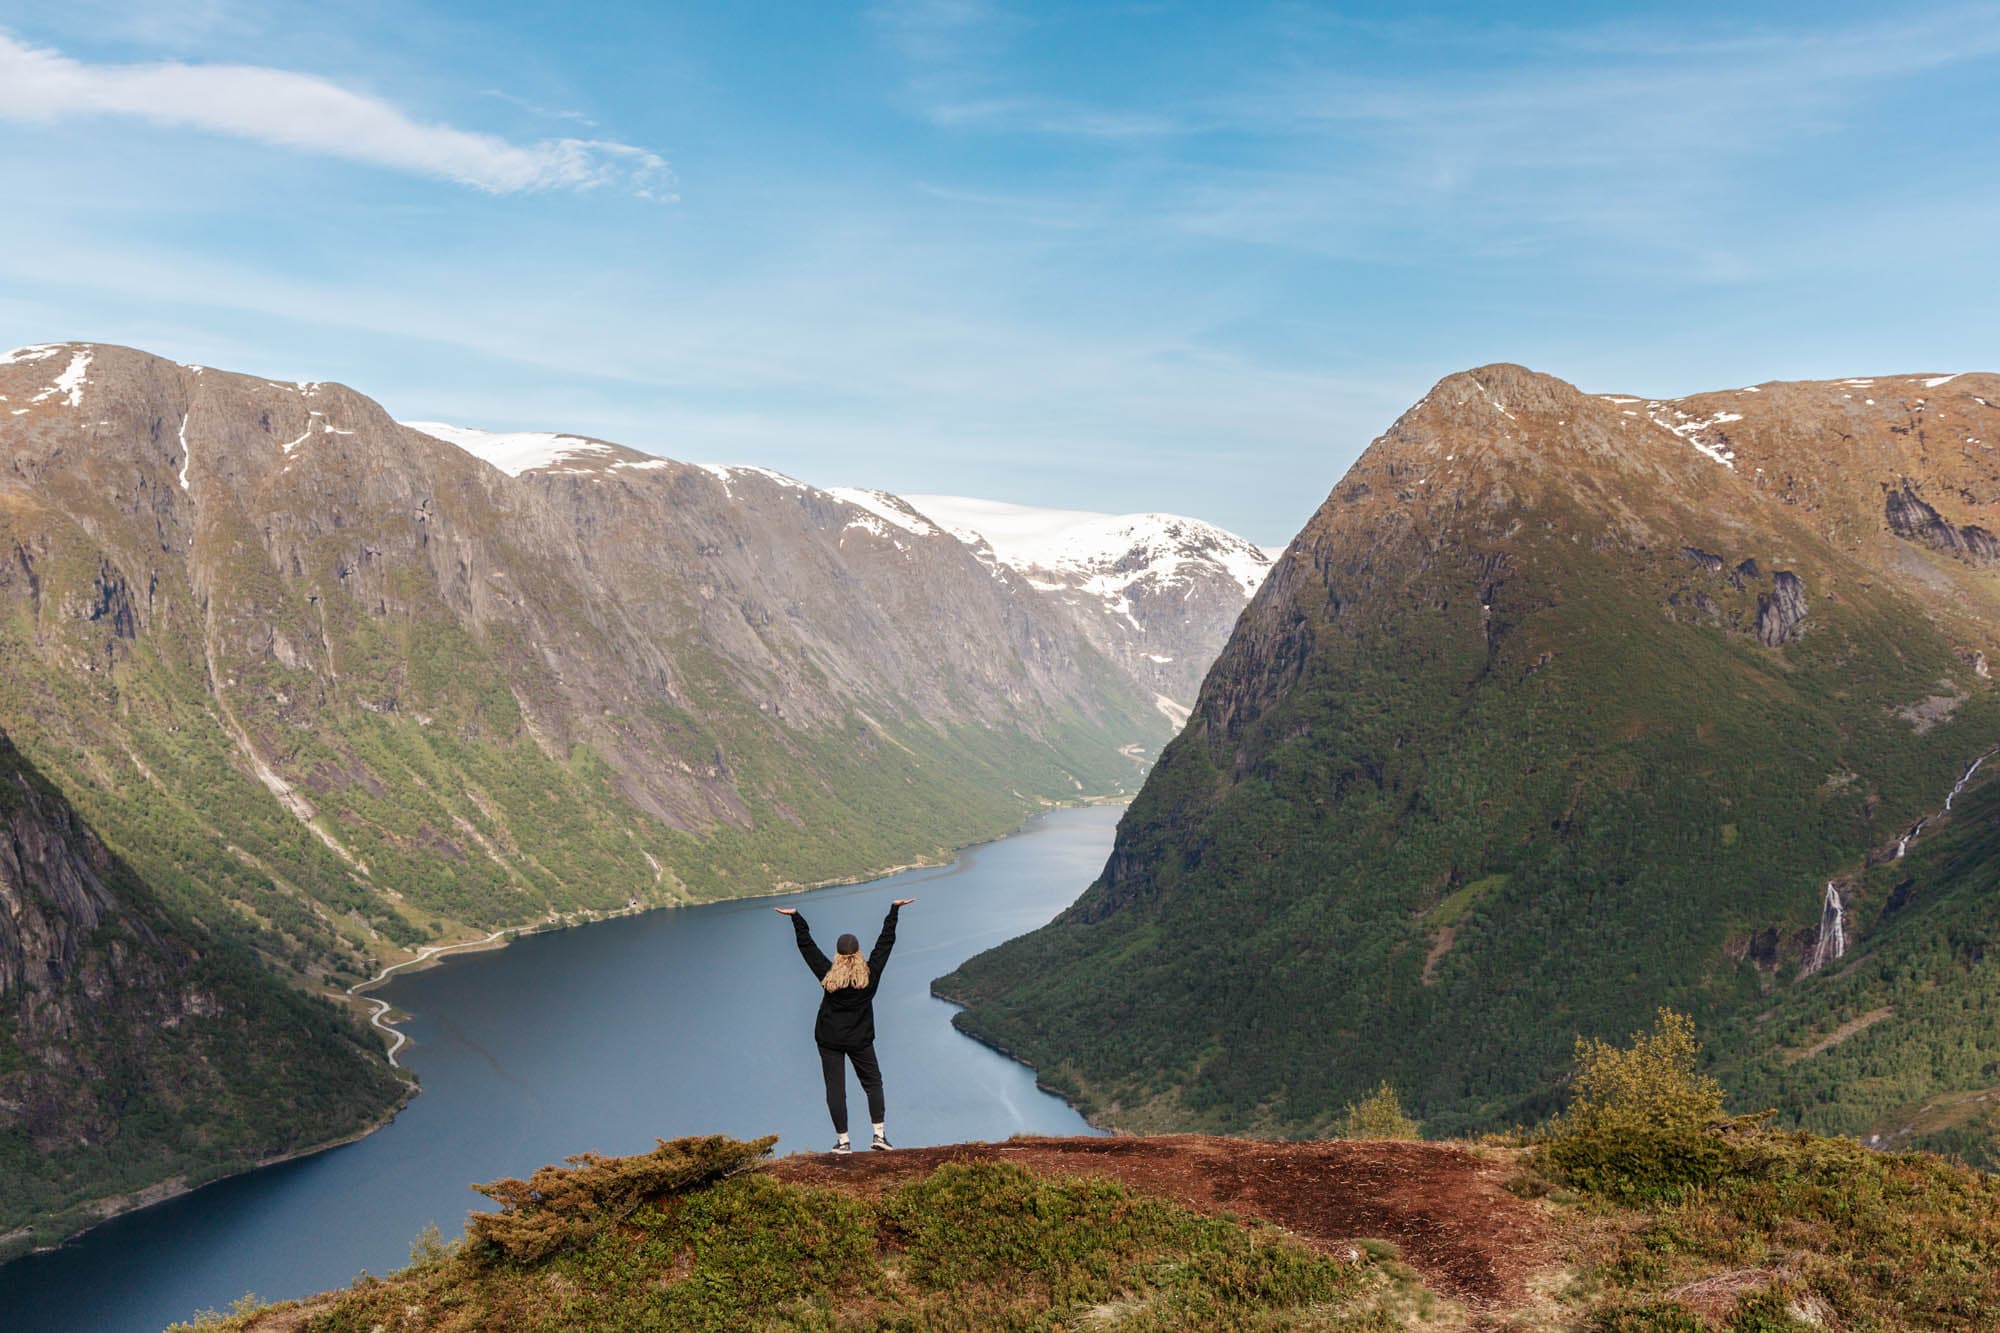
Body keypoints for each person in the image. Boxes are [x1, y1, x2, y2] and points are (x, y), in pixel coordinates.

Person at [775, 898, 915, 1153]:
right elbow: (885, 944)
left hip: (829, 1039)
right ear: (858, 953)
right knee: (873, 1083)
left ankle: (843, 1141)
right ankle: (879, 1136)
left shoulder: (828, 976)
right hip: (860, 1039)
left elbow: (807, 947)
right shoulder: (869, 976)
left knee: (836, 1089)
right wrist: (894, 911)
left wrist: (796, 918)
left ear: (838, 955)